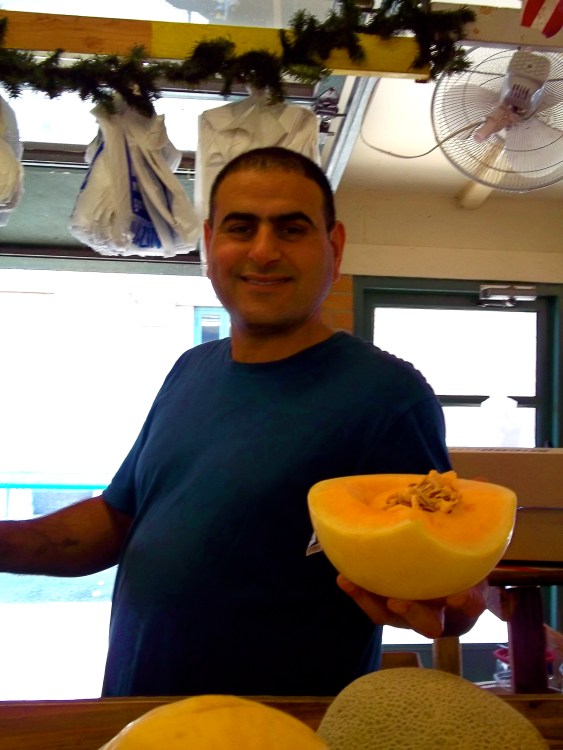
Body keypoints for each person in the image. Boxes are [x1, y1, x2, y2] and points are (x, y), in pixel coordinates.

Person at [0, 147, 487, 697]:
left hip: (280, 727)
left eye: (292, 229)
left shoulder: (386, 395)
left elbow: (439, 566)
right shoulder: (190, 370)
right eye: (241, 227)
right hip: (138, 714)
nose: (263, 251)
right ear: (210, 244)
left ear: (334, 247)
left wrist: (451, 600)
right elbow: (116, 519)